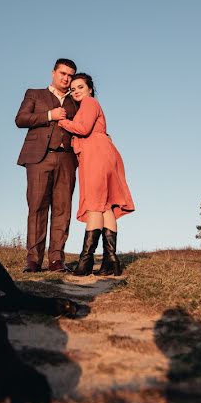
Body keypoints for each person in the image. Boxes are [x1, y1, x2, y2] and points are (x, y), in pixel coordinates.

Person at [57, 73, 134, 276]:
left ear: (90, 89)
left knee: (94, 204)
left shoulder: (90, 103)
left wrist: (62, 121)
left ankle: (85, 262)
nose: (76, 91)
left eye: (80, 87)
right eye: (73, 89)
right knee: (104, 205)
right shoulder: (88, 105)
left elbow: (83, 128)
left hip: (96, 154)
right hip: (101, 152)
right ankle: (111, 261)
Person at [15, 59, 80, 272]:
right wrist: (49, 115)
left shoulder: (76, 101)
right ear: (53, 72)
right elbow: (20, 119)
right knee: (37, 207)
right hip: (38, 158)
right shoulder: (34, 93)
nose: (66, 78)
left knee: (63, 210)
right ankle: (33, 260)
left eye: (70, 75)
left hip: (67, 160)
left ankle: (56, 260)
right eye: (62, 73)